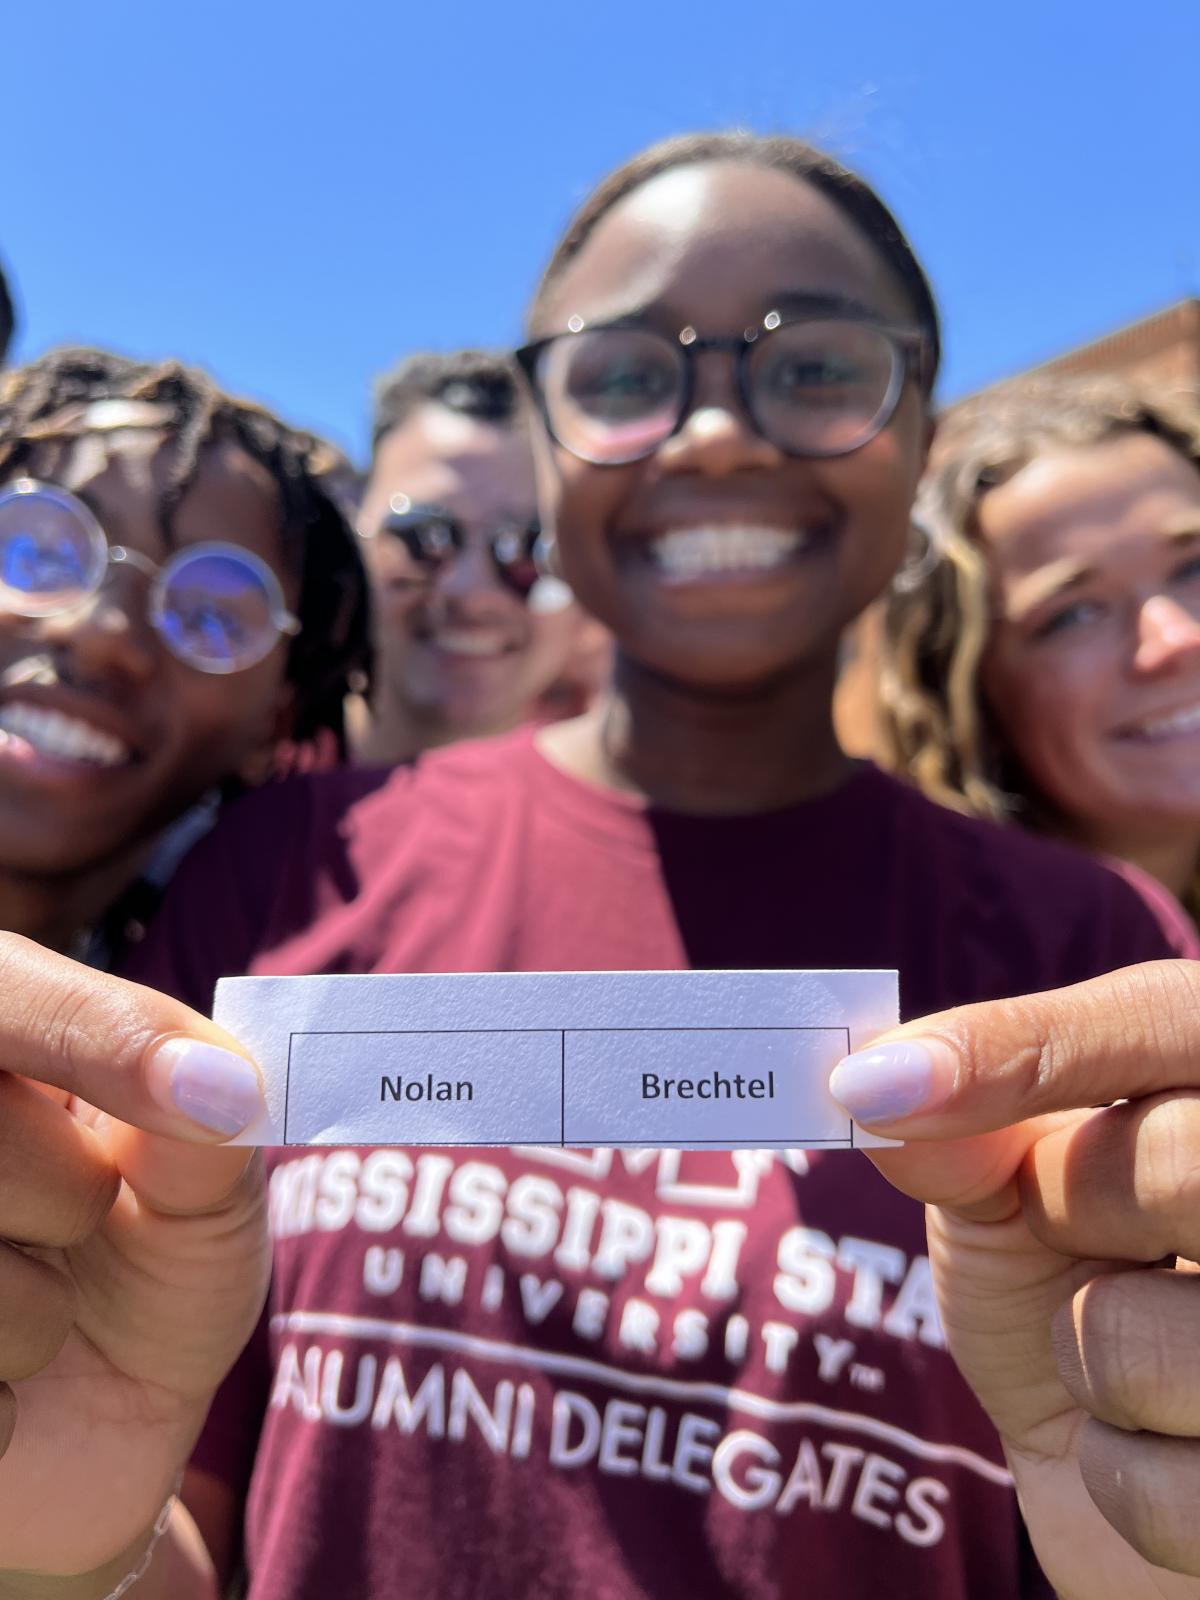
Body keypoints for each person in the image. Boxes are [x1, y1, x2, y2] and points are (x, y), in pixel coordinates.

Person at [0, 132, 1197, 1600]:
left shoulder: (1095, 954)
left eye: (816, 365)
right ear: (550, 425)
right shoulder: (300, 868)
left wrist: (1153, 1558)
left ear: (925, 434)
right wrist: (60, 1547)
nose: (713, 435)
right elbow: (155, 1504)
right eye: (626, 375)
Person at [0, 345, 369, 964]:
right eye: (39, 550)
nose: (103, 632)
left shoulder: (255, 1033)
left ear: (272, 725)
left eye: (211, 614)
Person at [878, 375, 1200, 923]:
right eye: (1073, 615)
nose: (1177, 640)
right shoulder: (933, 992)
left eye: (1194, 567)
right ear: (975, 703)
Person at [349, 348, 609, 763]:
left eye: (528, 547)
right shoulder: (235, 780)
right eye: (423, 537)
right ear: (353, 539)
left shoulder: (640, 802)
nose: (472, 591)